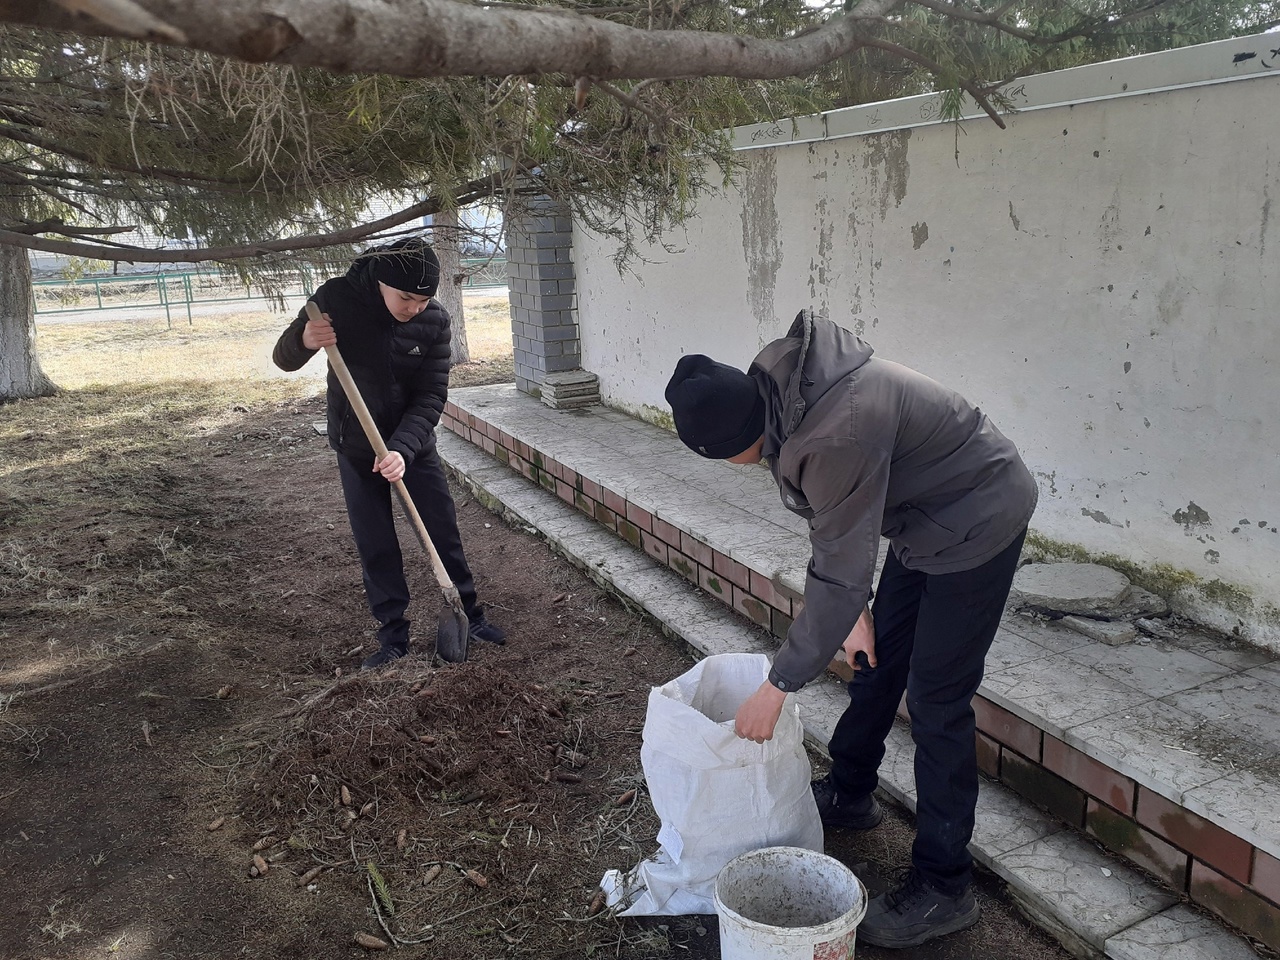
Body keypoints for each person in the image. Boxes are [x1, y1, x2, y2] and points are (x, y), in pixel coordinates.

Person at [664, 310, 1038, 949]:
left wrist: (777, 685)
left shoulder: (835, 430)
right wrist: (855, 609)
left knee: (936, 700)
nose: (735, 467)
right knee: (877, 661)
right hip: (925, 521)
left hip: (978, 518)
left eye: (728, 458)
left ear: (734, 440)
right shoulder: (790, 399)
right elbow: (836, 529)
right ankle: (850, 791)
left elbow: (838, 551)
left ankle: (945, 888)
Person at [273, 237, 505, 670]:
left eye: (423, 299)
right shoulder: (336, 300)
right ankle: (392, 635)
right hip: (355, 446)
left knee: (442, 530)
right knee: (375, 541)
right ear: (382, 282)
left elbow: (431, 396)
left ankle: (469, 616)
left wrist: (402, 449)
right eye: (406, 298)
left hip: (411, 446)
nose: (414, 307)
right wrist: (304, 338)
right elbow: (284, 358)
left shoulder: (434, 321)